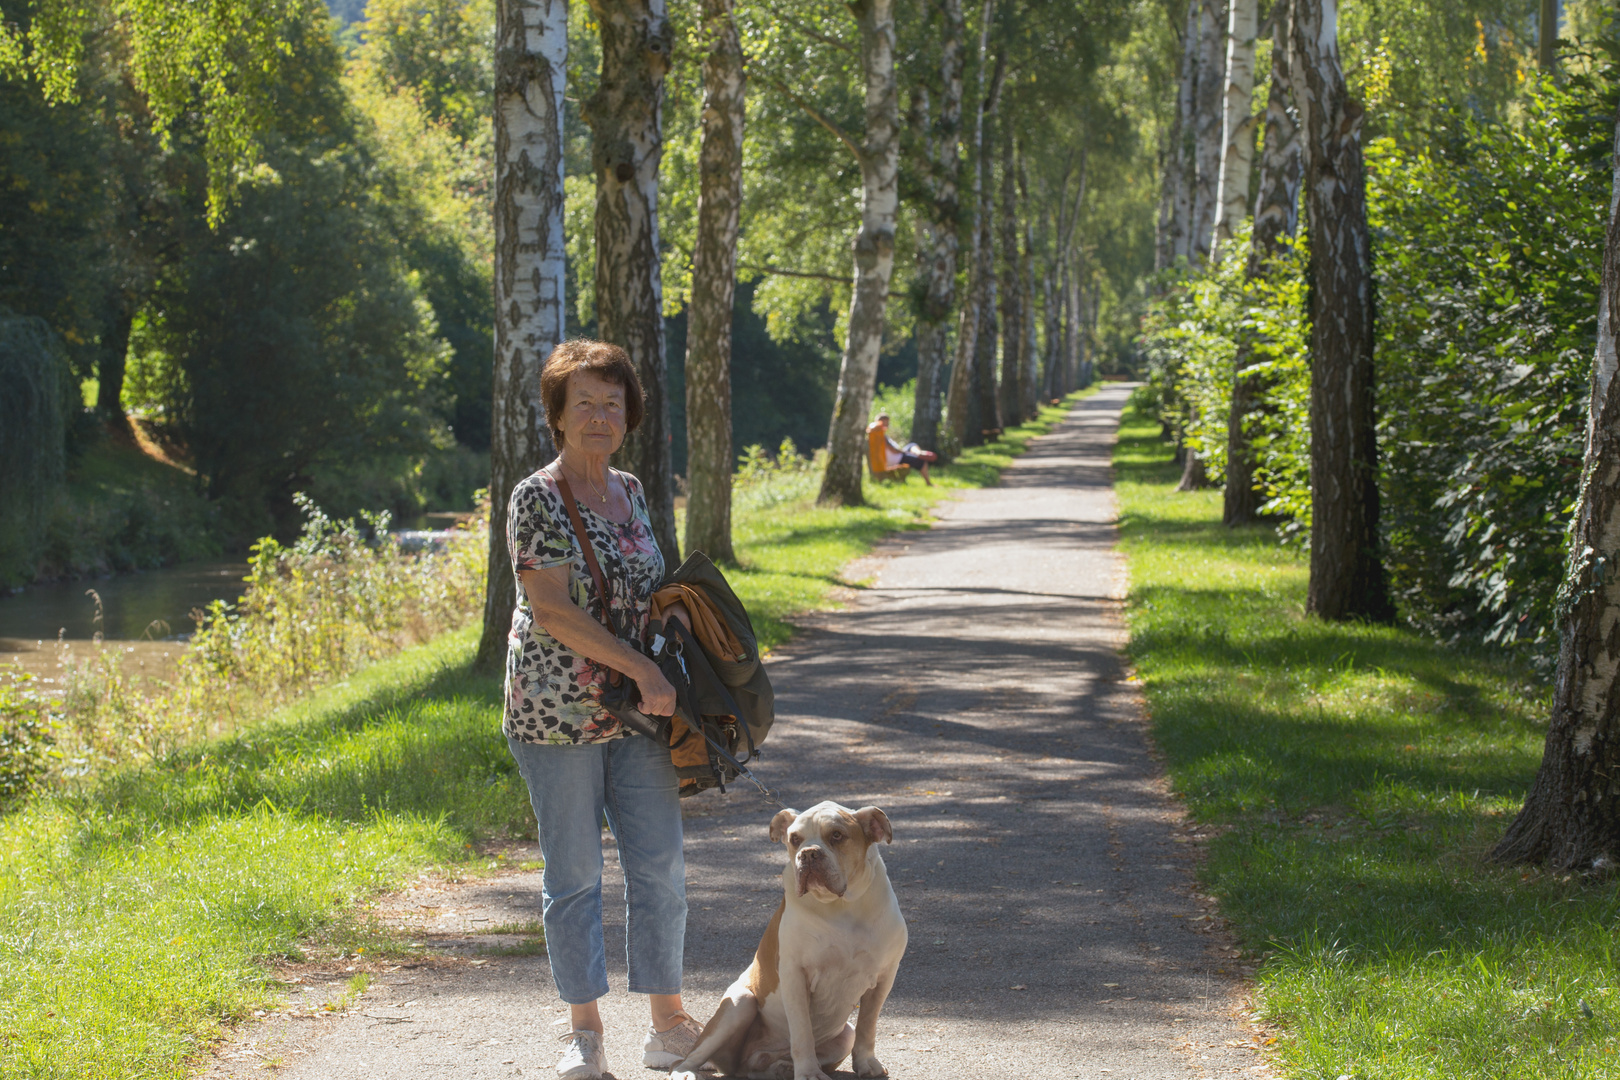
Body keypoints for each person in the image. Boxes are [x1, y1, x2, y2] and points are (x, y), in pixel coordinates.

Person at [503, 339, 700, 1080]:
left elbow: (648, 589)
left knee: (661, 870)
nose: (599, 415)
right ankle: (584, 1035)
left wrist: (677, 642)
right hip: (556, 715)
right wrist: (641, 666)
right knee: (576, 874)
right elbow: (550, 609)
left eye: (612, 402)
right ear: (557, 414)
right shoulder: (537, 496)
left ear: (629, 415)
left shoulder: (633, 489)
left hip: (641, 714)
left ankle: (668, 1024)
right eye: (583, 402)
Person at [869, 412, 937, 485]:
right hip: (896, 458)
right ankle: (928, 483)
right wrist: (904, 452)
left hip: (896, 456)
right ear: (880, 423)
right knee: (922, 462)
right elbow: (893, 450)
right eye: (886, 423)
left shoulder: (879, 434)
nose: (887, 425)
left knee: (912, 445)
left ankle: (918, 453)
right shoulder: (880, 434)